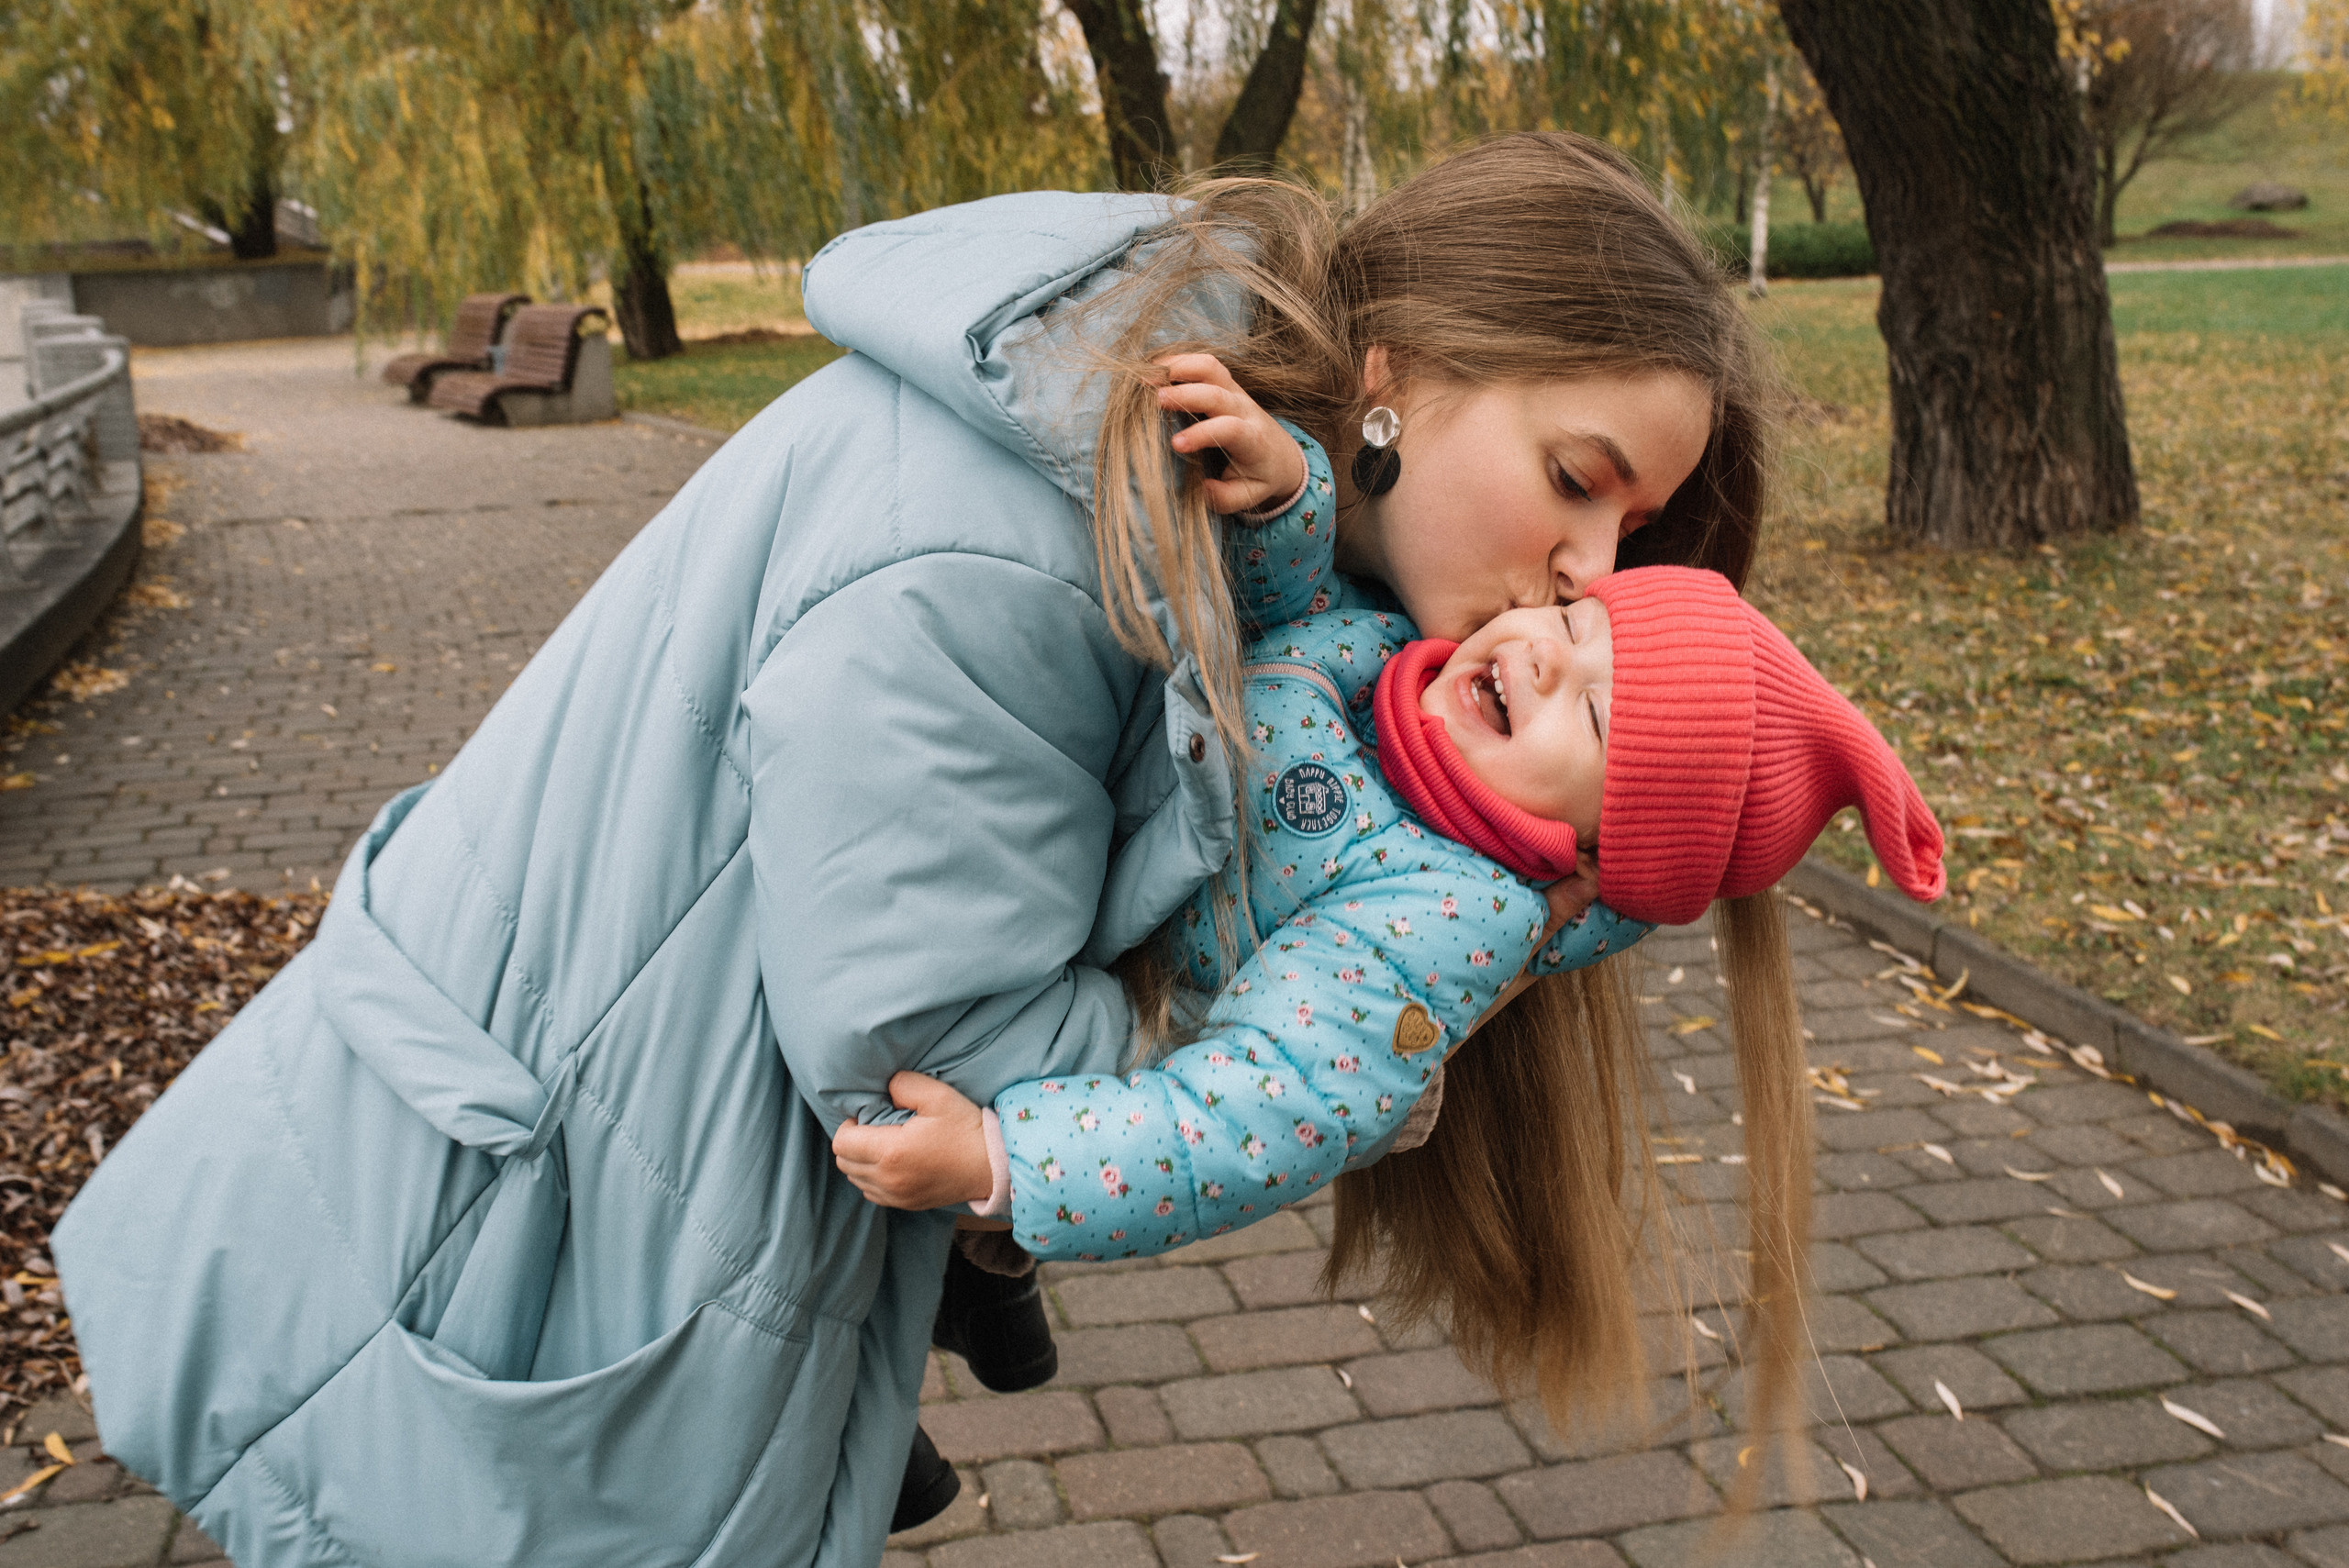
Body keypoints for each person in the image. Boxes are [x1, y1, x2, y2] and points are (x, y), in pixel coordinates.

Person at [52, 132, 1775, 1568]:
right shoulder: (1023, 545)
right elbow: (924, 1042)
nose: (1593, 573)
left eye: (1631, 530)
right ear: (1392, 378)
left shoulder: (1152, 477)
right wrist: (1356, 1045)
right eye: (1579, 477)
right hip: (487, 1264)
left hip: (549, 1220)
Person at [841, 528, 1946, 1471]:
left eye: (1600, 725)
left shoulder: (1437, 918)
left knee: (865, 1173)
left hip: (1094, 1024)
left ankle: (949, 1301)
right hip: (1094, 841)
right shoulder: (1394, 662)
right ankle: (978, 1294)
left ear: (1596, 850)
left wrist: (1000, 1160)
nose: (1546, 662)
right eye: (1573, 627)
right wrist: (1286, 497)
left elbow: (1251, 1116)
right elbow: (1277, 603)